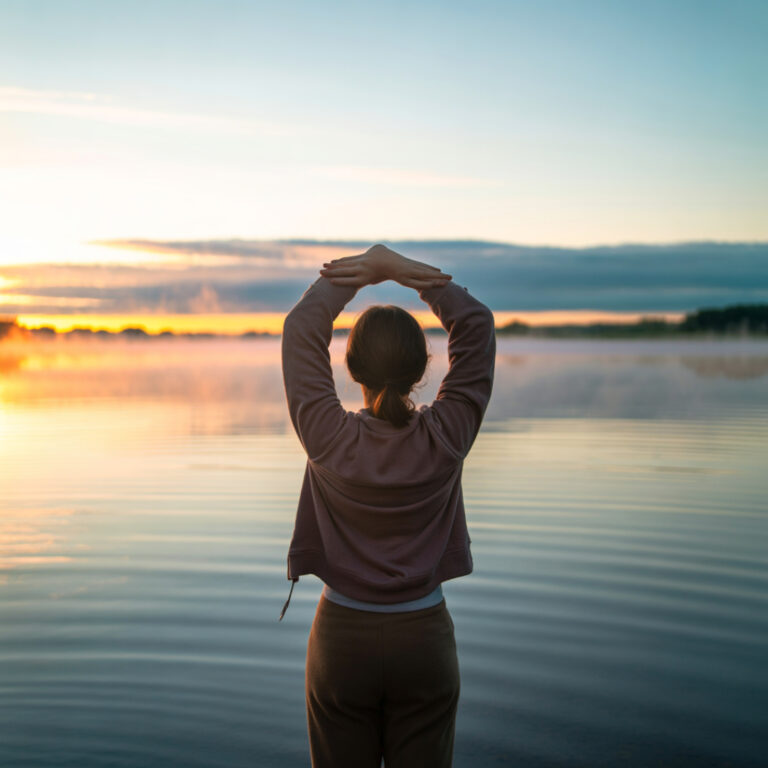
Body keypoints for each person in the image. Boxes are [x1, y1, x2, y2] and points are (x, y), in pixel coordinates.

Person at [280, 243, 496, 768]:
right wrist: (407, 275)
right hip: (423, 640)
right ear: (424, 367)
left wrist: (362, 273)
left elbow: (301, 329)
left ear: (350, 367)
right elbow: (477, 326)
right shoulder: (447, 436)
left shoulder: (328, 437)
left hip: (342, 641)